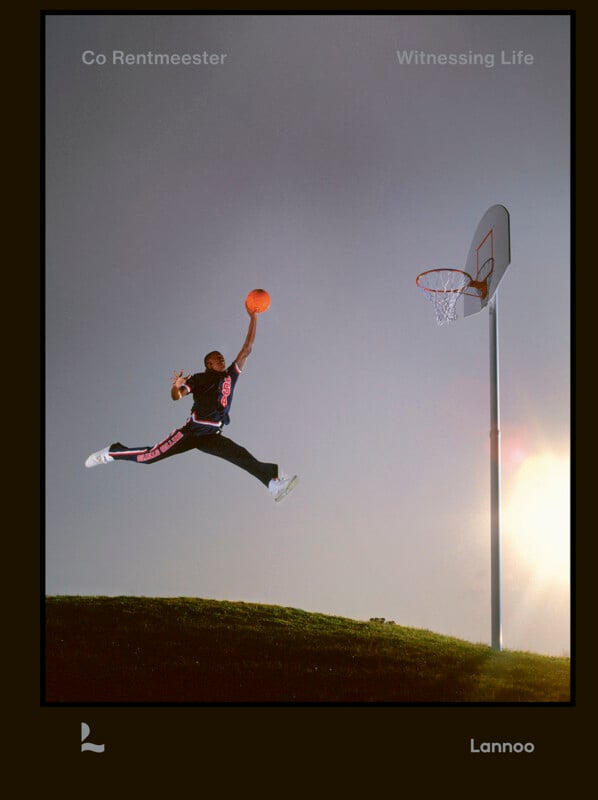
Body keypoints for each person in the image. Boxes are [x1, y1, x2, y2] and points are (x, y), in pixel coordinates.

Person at [85, 305, 298, 502]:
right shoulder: (199, 378)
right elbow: (176, 396)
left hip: (212, 435)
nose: (221, 359)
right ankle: (113, 452)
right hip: (192, 432)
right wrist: (176, 386)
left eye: (222, 357)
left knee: (239, 455)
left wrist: (253, 317)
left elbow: (247, 348)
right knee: (149, 456)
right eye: (217, 358)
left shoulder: (230, 375)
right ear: (208, 364)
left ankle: (272, 482)